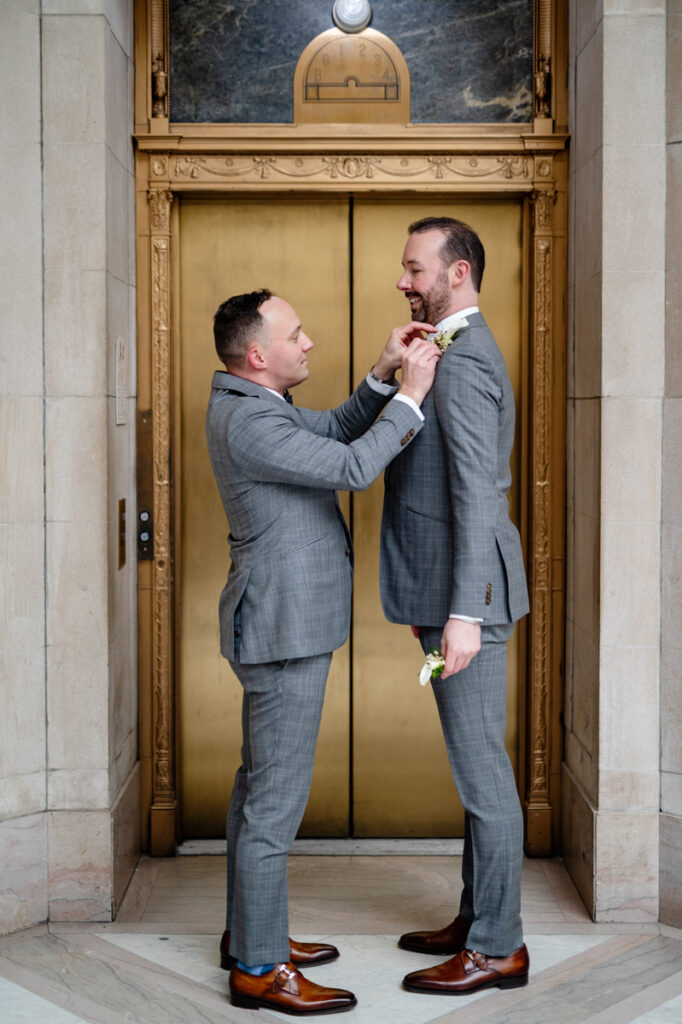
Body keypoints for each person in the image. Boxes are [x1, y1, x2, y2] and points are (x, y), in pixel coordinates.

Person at [206, 288, 440, 1015]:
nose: (307, 343)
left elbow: (334, 432)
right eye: (296, 335)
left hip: (284, 621)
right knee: (273, 805)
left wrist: (380, 374)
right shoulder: (247, 421)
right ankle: (259, 967)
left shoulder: (257, 405)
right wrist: (414, 394)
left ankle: (253, 930)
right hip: (284, 627)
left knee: (258, 791)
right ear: (257, 356)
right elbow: (350, 468)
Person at [380, 217, 531, 995]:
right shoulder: (442, 350)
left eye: (415, 268)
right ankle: (479, 918)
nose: (405, 280)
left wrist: (465, 613)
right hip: (446, 596)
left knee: (484, 781)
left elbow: (476, 493)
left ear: (459, 273)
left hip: (467, 602)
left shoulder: (466, 362)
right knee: (481, 773)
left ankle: (499, 945)